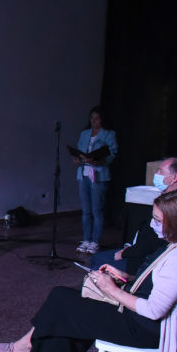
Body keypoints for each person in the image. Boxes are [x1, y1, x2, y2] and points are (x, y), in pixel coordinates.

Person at [0, 189, 177, 352]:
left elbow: (154, 310)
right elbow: (158, 284)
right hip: (139, 318)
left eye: (158, 220)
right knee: (63, 301)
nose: (152, 225)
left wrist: (111, 290)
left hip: (145, 328)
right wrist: (126, 277)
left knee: (63, 304)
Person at [90, 156, 177, 273]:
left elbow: (155, 241)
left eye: (161, 171)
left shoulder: (175, 203)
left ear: (174, 178)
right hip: (143, 252)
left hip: (147, 261)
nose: (157, 174)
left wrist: (126, 253)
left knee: (98, 259)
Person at [74, 106, 118, 254]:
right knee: (86, 210)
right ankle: (86, 239)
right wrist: (77, 159)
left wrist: (98, 161)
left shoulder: (108, 134)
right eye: (92, 118)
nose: (94, 121)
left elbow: (112, 153)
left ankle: (95, 241)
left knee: (96, 210)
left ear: (102, 120)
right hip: (84, 174)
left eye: (97, 118)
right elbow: (79, 151)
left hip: (99, 175)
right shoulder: (84, 133)